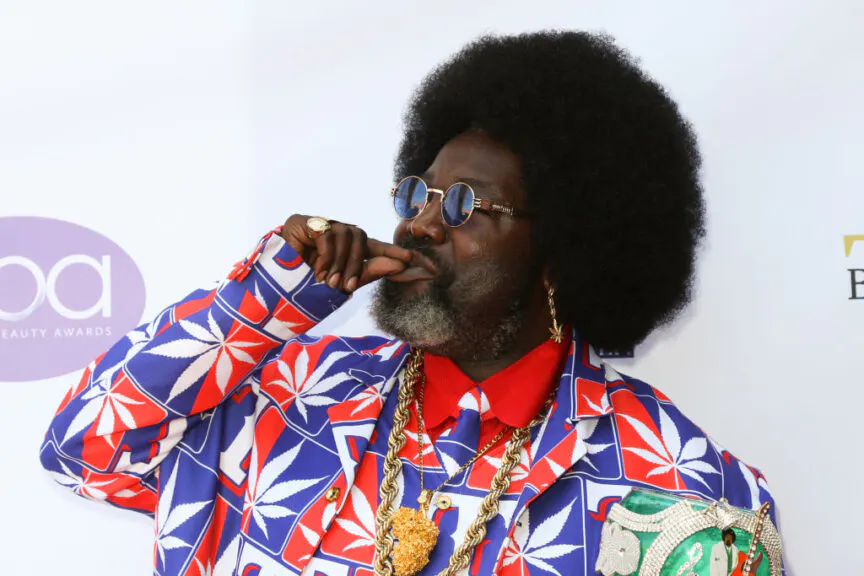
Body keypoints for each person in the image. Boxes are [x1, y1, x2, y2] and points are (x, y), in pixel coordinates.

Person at [40, 30, 781, 576]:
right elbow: (83, 451)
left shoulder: (677, 485)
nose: (420, 223)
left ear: (562, 250)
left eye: (465, 205)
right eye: (417, 193)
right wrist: (264, 298)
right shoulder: (286, 396)